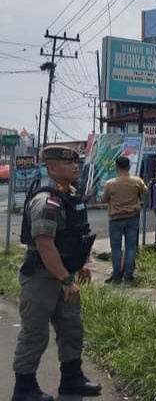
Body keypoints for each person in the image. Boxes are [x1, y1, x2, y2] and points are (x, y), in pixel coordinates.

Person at [13, 146, 101, 401]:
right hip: (42, 277)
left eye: (76, 162)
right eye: (68, 163)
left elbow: (70, 237)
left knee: (72, 327)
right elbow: (44, 245)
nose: (75, 166)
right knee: (35, 332)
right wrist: (65, 279)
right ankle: (24, 388)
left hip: (64, 273)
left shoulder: (69, 196)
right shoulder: (46, 201)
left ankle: (71, 378)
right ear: (52, 168)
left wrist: (79, 264)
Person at [101, 155, 148, 284]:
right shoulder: (137, 181)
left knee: (115, 248)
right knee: (131, 247)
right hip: (132, 217)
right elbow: (146, 192)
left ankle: (116, 276)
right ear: (129, 166)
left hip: (115, 218)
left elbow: (104, 200)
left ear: (116, 167)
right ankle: (128, 275)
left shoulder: (110, 183)